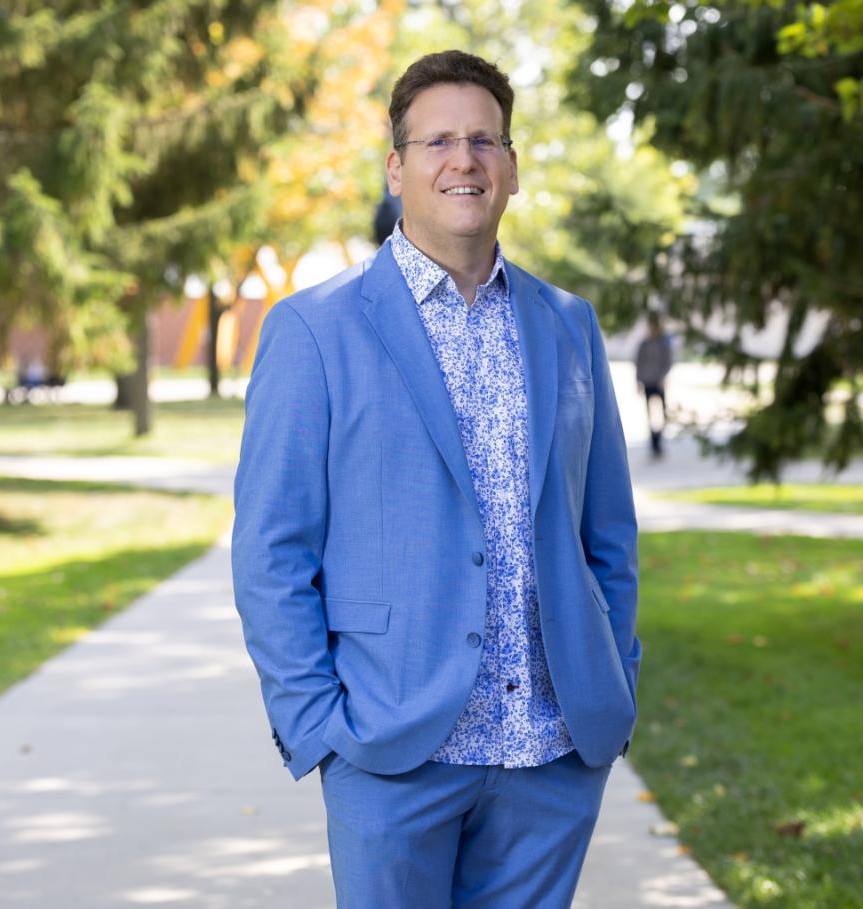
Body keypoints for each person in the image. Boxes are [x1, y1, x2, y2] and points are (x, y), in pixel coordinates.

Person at [231, 50, 641, 908]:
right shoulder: (314, 329)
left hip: (550, 752)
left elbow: (607, 535)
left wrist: (616, 681)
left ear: (513, 168)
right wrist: (320, 727)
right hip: (390, 750)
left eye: (486, 140)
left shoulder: (569, 325)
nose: (465, 160)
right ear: (397, 167)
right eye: (439, 141)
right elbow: (272, 551)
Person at [634, 313, 673, 458]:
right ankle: (653, 443)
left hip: (659, 382)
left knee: (662, 413)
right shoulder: (643, 344)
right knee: (650, 414)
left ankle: (660, 440)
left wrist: (663, 377)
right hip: (647, 382)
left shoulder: (663, 344)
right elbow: (638, 363)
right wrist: (638, 381)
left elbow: (667, 362)